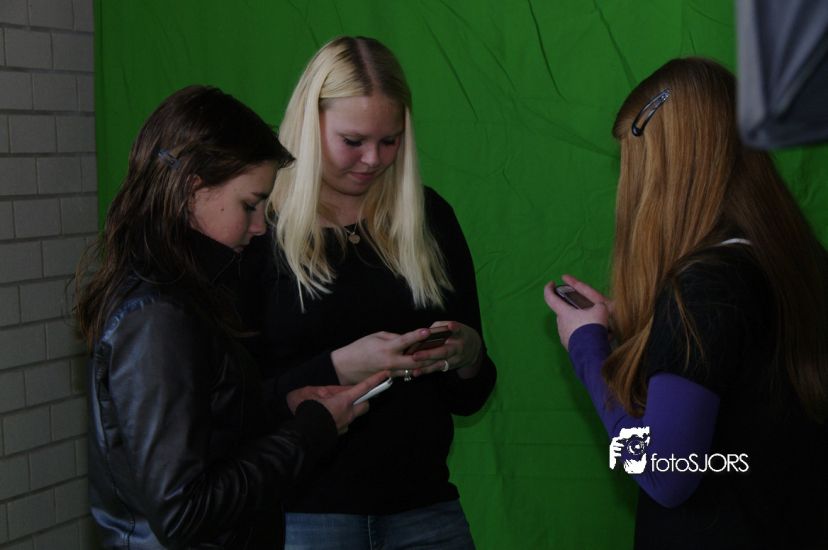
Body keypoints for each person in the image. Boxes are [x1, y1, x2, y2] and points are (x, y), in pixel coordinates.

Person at [75, 85, 388, 549]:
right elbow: (183, 512)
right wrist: (309, 433)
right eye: (250, 204)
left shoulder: (184, 293)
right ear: (193, 190)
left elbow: (205, 428)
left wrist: (285, 408)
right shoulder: (157, 316)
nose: (261, 226)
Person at [544, 57, 828, 549]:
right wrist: (652, 330)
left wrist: (588, 347)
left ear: (666, 168)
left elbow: (666, 472)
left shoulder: (703, 290)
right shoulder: (802, 262)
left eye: (634, 163)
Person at [241, 36, 496, 549]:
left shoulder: (429, 219)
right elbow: (233, 407)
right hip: (303, 517)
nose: (373, 159)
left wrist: (468, 355)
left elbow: (470, 396)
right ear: (309, 125)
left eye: (390, 140)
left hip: (426, 509)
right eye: (353, 140)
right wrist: (337, 367)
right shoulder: (257, 229)